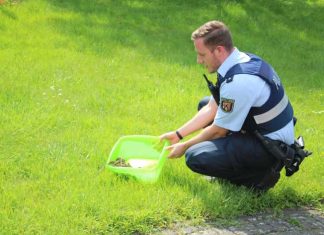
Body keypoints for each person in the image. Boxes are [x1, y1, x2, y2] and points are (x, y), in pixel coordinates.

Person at [159, 20, 296, 191]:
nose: (198, 60)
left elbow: (218, 130)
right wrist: (178, 135)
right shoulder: (241, 61)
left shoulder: (239, 81)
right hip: (264, 135)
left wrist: (184, 146)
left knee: (195, 156)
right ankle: (243, 164)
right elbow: (211, 107)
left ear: (219, 50)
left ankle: (258, 178)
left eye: (202, 55)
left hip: (271, 150)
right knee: (204, 104)